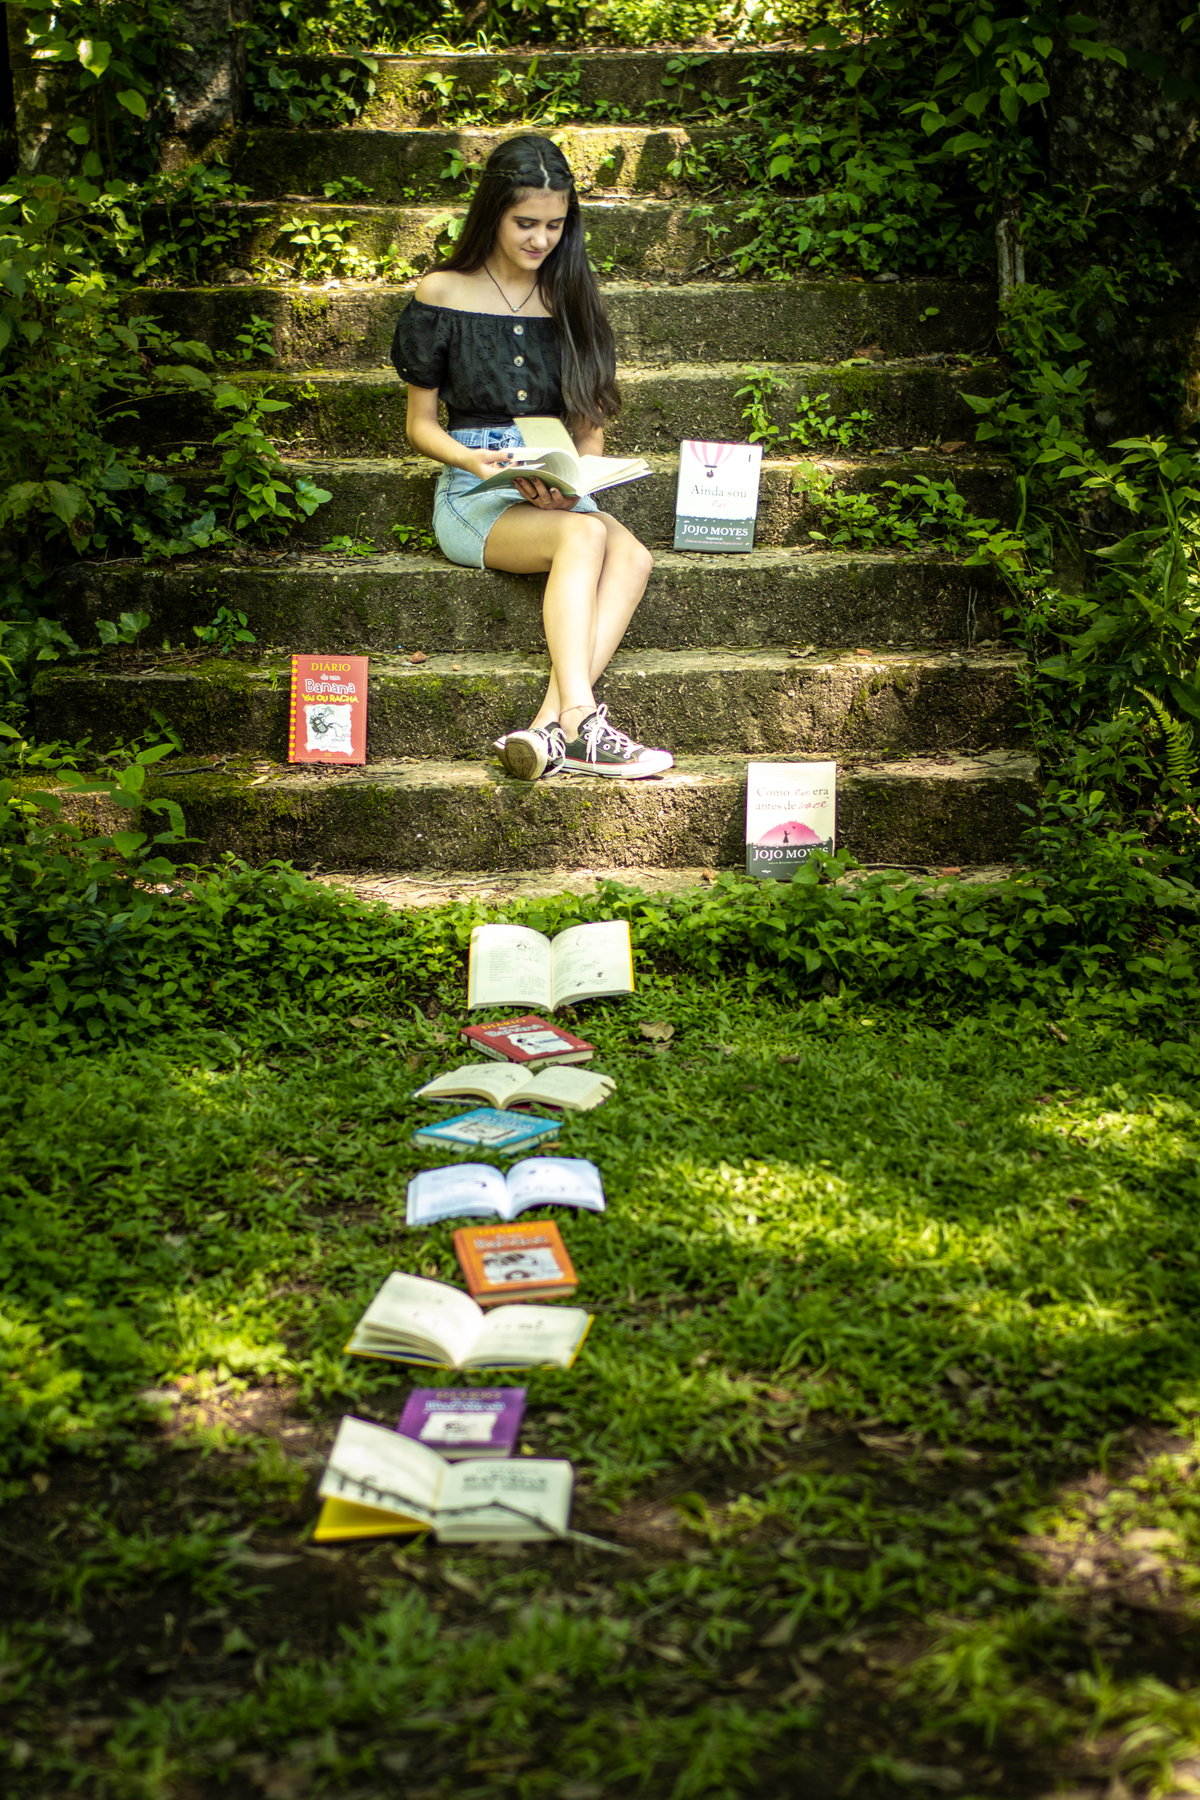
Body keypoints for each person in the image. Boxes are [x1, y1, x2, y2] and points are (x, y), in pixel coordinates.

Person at [390, 133, 673, 782]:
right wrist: (477, 463)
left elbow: (589, 427)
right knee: (582, 538)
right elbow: (421, 426)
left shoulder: (571, 295)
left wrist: (573, 481)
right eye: (525, 223)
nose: (540, 239)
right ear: (492, 213)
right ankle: (581, 717)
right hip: (475, 489)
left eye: (554, 224)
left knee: (633, 553)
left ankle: (551, 731)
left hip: (555, 483)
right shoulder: (443, 293)